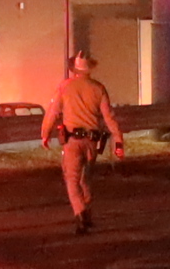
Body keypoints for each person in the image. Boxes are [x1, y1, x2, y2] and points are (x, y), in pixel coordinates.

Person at [42, 52, 125, 234]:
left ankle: (80, 214)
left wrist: (45, 134)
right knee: (85, 179)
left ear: (74, 69)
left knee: (72, 180)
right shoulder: (98, 88)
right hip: (92, 142)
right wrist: (119, 141)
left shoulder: (65, 87)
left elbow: (52, 112)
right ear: (89, 69)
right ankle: (87, 209)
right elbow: (109, 118)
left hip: (72, 141)